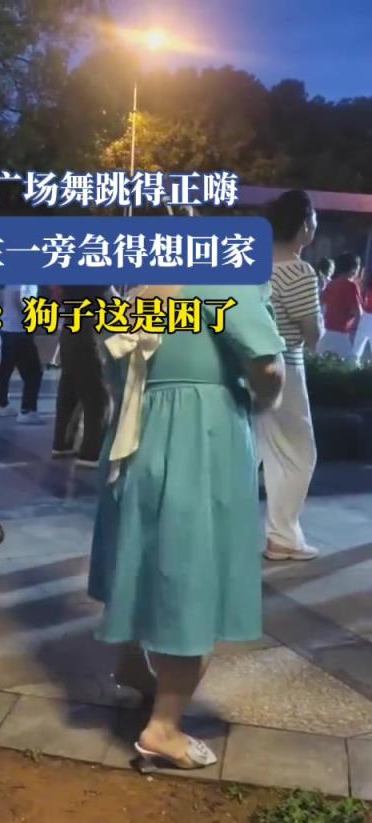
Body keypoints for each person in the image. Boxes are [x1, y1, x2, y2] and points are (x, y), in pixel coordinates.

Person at [88, 282, 285, 770]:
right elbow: (267, 367)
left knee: (142, 556)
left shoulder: (129, 295)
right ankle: (163, 727)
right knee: (194, 572)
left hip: (137, 435)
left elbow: (114, 375)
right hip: (200, 436)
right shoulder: (220, 283)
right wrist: (263, 400)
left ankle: (134, 668)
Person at [255, 190, 323, 561]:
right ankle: (282, 536)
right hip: (285, 367)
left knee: (259, 451)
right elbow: (312, 334)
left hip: (247, 366)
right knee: (298, 453)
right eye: (313, 219)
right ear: (302, 226)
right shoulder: (298, 271)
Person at [52, 284, 113, 468]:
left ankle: (62, 443)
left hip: (71, 325)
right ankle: (92, 452)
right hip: (88, 330)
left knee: (69, 389)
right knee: (96, 394)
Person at [0, 284, 42, 422]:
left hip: (8, 328)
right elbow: (18, 299)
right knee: (33, 372)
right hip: (20, 330)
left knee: (5, 369)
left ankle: (2, 404)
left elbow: (1, 299)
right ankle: (27, 410)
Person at [319, 252, 362, 361]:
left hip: (326, 333)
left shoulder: (330, 284)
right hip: (342, 334)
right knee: (347, 366)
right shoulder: (351, 286)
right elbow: (358, 312)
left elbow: (322, 302)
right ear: (354, 269)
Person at [352, 273, 372, 366]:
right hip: (367, 315)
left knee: (357, 347)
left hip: (366, 316)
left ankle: (352, 365)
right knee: (358, 346)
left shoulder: (367, 286)